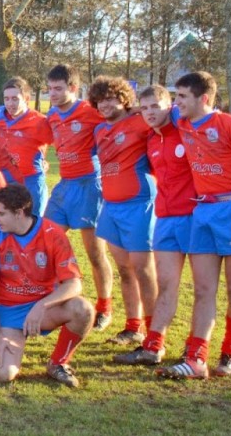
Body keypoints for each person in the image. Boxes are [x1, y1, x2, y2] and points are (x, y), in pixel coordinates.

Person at [158, 71, 231, 380]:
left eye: (182, 97)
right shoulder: (182, 122)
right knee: (204, 289)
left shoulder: (230, 125)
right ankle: (196, 359)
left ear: (203, 99)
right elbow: (146, 113)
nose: (176, 103)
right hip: (203, 211)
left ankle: (230, 353)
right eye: (175, 97)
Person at [0, 184, 95, 388]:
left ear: (19, 213)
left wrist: (42, 306)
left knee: (83, 310)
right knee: (2, 374)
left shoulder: (53, 234)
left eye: (1, 214)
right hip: (8, 313)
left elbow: (74, 284)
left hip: (42, 310)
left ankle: (58, 363)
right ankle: (6, 340)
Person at [115, 84, 197, 366]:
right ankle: (153, 347)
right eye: (145, 107)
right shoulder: (151, 138)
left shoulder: (185, 127)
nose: (149, 113)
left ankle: (196, 348)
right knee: (166, 284)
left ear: (170, 106)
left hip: (196, 217)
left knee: (204, 288)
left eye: (155, 107)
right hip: (164, 217)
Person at [44, 64, 114, 331]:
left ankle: (104, 307)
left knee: (95, 252)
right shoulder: (51, 115)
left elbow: (120, 120)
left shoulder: (90, 112)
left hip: (89, 186)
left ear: (73, 88)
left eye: (58, 89)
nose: (53, 93)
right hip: (64, 186)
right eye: (50, 89)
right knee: (46, 241)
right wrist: (41, 160)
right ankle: (51, 299)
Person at [89, 76, 158, 347]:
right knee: (125, 269)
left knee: (144, 270)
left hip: (139, 204)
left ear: (124, 99)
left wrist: (139, 109)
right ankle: (133, 327)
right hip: (111, 206)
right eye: (100, 100)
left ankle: (155, 334)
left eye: (110, 99)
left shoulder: (141, 121)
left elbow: (166, 113)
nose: (104, 105)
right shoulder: (99, 130)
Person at [0, 77, 53, 218]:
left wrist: (44, 161)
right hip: (8, 181)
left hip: (31, 181)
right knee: (7, 225)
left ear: (26, 98)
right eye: (7, 99)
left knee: (32, 227)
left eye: (15, 99)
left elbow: (61, 142)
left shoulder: (40, 122)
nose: (10, 103)